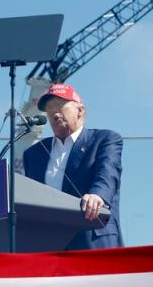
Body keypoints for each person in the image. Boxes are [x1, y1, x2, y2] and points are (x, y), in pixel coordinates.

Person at [22, 83, 123, 250]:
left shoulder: (105, 140)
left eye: (60, 106)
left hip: (93, 240)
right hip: (49, 247)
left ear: (80, 111)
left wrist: (97, 196)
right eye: (49, 110)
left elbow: (108, 174)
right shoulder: (34, 154)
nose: (54, 113)